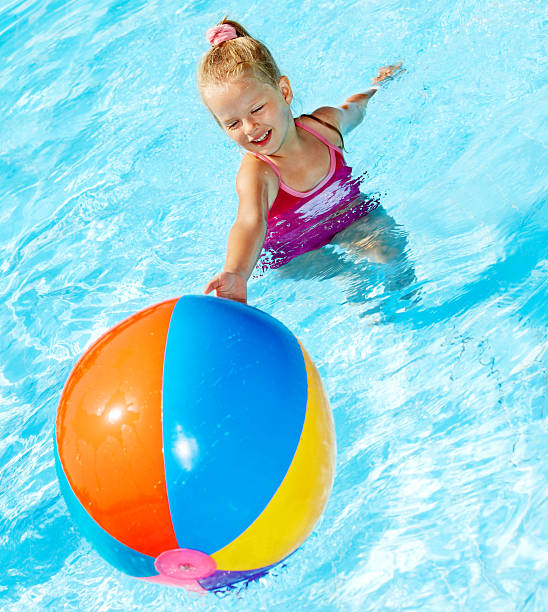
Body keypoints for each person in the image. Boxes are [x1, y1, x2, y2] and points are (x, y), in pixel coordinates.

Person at [200, 18, 403, 303]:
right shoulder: (258, 173)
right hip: (296, 249)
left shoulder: (325, 128)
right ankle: (367, 316)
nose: (249, 128)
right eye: (232, 124)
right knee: (350, 277)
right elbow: (249, 221)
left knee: (391, 252)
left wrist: (378, 87)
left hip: (349, 217)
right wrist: (235, 273)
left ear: (284, 92)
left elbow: (355, 108)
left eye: (257, 109)